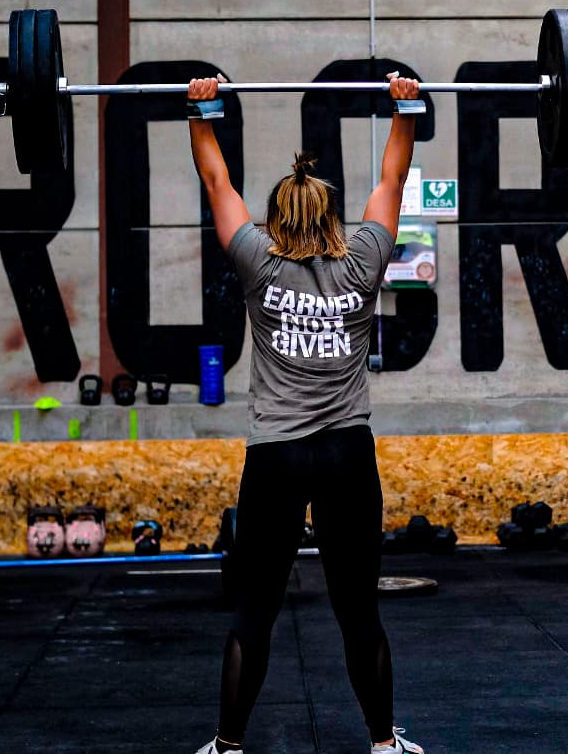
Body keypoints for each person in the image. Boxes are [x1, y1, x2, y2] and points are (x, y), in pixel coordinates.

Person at [187, 71, 424, 754]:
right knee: (360, 613)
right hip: (347, 454)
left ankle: (227, 745)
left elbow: (216, 186)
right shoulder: (363, 264)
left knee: (253, 613)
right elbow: (393, 179)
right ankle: (384, 744)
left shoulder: (259, 264)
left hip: (277, 457)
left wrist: (203, 112)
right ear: (329, 220)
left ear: (277, 222)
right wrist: (403, 109)